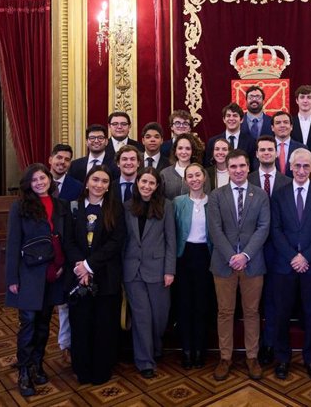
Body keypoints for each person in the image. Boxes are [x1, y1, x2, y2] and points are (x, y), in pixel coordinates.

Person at [5, 163, 70, 397]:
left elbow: (65, 239)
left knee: (44, 323)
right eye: (34, 180)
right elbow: (13, 243)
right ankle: (23, 371)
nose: (40, 183)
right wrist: (12, 277)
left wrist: (63, 266)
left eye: (43, 178)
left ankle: (37, 364)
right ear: (29, 184)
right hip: (29, 272)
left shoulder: (61, 205)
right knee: (28, 323)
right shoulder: (20, 207)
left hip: (54, 271)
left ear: (49, 180)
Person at [207, 149, 270, 381]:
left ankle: (252, 357)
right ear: (228, 168)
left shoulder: (260, 195)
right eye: (233, 167)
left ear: (248, 167)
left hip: (253, 264)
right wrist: (231, 256)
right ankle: (225, 357)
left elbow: (263, 227)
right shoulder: (216, 195)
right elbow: (215, 229)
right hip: (224, 264)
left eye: (242, 166)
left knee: (252, 312)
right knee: (225, 312)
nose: (238, 170)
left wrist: (245, 255)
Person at [270, 148, 311, 380]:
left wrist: (305, 257)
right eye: (298, 166)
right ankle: (283, 359)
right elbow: (275, 230)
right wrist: (292, 257)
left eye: (307, 166)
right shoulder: (279, 194)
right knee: (281, 314)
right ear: (290, 167)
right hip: (284, 265)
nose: (302, 170)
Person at [67, 165, 126, 385]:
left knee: (104, 326)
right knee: (81, 325)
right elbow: (68, 241)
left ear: (109, 186)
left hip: (106, 277)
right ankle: (82, 369)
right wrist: (80, 267)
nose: (99, 185)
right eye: (95, 180)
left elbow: (116, 242)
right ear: (87, 181)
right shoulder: (74, 207)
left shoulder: (116, 208)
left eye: (104, 182)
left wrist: (89, 266)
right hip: (78, 276)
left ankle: (102, 369)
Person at [122, 167, 177, 379]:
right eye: (143, 182)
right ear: (137, 183)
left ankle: (154, 347)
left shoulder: (166, 206)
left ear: (157, 187)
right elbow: (123, 240)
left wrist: (169, 270)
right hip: (132, 271)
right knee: (142, 316)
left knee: (159, 317)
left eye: (151, 183)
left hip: (159, 269)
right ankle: (144, 361)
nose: (147, 186)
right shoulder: (127, 207)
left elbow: (171, 240)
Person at [247, 135, 292, 366]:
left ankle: (270, 343)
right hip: (252, 251)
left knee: (275, 300)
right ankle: (253, 348)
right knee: (253, 303)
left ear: (276, 153)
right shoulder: (248, 179)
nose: (266, 153)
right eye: (261, 150)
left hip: (279, 251)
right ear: (256, 154)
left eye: (269, 149)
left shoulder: (287, 181)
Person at [173, 163, 214, 370]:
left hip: (205, 258)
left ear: (204, 177)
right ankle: (187, 350)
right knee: (185, 305)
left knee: (202, 306)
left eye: (198, 174)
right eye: (190, 176)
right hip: (183, 258)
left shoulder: (213, 201)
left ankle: (200, 350)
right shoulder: (178, 202)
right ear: (186, 180)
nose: (195, 179)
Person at [47, 143, 82, 365]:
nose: (62, 162)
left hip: (67, 250)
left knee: (66, 304)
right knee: (37, 306)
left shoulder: (76, 187)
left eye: (67, 159)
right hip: (42, 253)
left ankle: (65, 345)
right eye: (59, 158)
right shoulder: (39, 182)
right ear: (50, 159)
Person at [204, 103, 256, 167]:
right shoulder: (212, 142)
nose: (231, 118)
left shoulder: (251, 142)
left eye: (235, 115)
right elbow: (207, 166)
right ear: (224, 119)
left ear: (241, 120)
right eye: (228, 116)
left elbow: (252, 167)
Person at [161, 133, 209, 200]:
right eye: (180, 148)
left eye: (188, 148)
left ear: (192, 151)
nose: (184, 152)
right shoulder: (164, 174)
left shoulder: (202, 172)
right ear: (175, 151)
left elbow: (207, 198)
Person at [271, 110, 306, 177]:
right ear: (272, 128)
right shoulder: (265, 148)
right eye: (278, 123)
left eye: (286, 122)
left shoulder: (301, 148)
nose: (282, 125)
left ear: (291, 127)